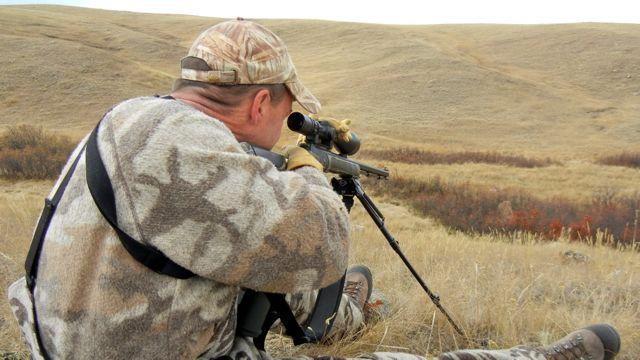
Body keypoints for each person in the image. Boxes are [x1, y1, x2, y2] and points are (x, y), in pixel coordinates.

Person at [7, 19, 620, 360]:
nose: (283, 128)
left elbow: (207, 237)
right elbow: (319, 245)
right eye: (285, 115)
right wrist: (303, 170)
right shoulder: (185, 147)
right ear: (258, 102)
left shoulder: (130, 120)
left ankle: (346, 309)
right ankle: (536, 359)